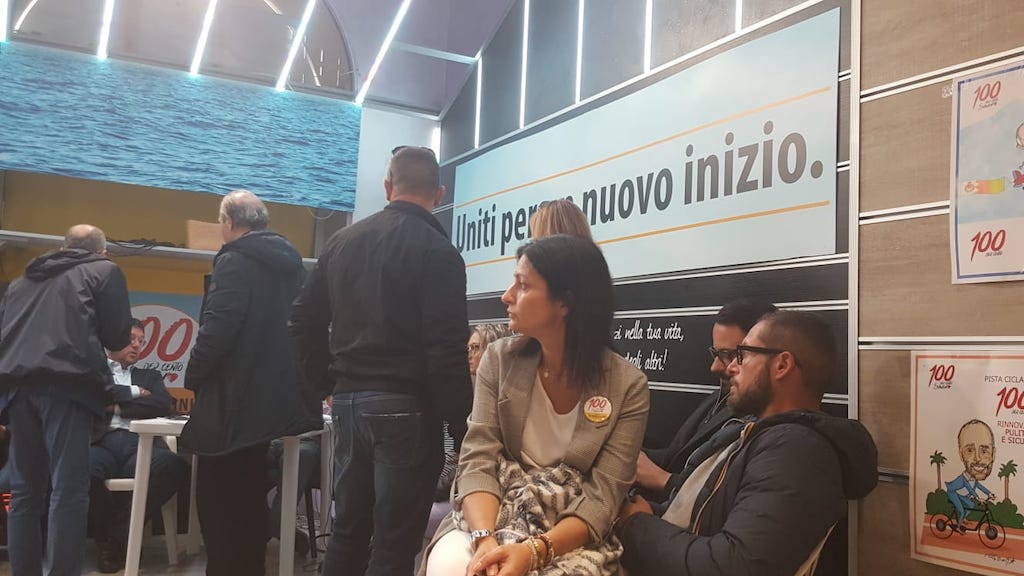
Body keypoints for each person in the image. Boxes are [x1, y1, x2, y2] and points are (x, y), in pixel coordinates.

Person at [290, 146, 473, 575]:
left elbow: (300, 320)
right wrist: (461, 424)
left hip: (348, 404)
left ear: (388, 187)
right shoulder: (440, 252)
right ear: (439, 194)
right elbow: (446, 349)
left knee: (347, 531)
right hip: (408, 409)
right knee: (395, 541)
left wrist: (326, 386)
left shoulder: (341, 243)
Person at [422, 235, 650, 576]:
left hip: (568, 530)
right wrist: (486, 542)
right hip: (492, 511)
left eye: (523, 285)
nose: (507, 296)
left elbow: (603, 497)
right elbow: (478, 458)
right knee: (452, 567)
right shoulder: (499, 360)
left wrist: (533, 552)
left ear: (565, 303)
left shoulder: (626, 386)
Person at [616, 310, 879, 575]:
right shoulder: (758, 435)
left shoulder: (797, 453)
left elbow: (734, 566)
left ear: (782, 365)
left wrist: (637, 525)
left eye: (743, 355)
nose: (731, 367)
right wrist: (636, 512)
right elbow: (698, 515)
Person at [181, 190, 322, 576]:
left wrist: (194, 376)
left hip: (231, 402)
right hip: (271, 406)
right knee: (248, 497)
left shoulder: (234, 260)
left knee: (216, 500)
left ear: (228, 223)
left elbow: (218, 329)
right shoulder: (293, 266)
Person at [0, 224, 132, 576]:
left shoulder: (22, 282)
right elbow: (118, 338)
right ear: (102, 252)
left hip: (17, 388)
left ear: (63, 248)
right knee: (68, 490)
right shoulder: (104, 271)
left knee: (24, 490)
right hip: (68, 385)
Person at [636, 300, 777, 503]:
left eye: (730, 355)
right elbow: (676, 457)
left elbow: (721, 503)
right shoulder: (720, 396)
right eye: (716, 354)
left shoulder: (767, 429)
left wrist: (663, 482)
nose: (716, 367)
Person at [88, 319, 187, 573]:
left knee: (174, 466)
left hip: (139, 444)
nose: (137, 345)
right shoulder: (94, 371)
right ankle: (111, 539)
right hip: (100, 444)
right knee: (83, 468)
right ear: (112, 340)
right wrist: (135, 394)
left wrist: (115, 405)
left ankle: (117, 538)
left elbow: (162, 404)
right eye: (132, 339)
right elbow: (93, 400)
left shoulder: (150, 376)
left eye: (141, 341)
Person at [436, 324, 513, 502]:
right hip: (454, 481)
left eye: (476, 348)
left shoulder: (506, 399)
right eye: (468, 349)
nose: (469, 354)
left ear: (494, 349)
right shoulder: (460, 396)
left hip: (485, 485)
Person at [945, 419, 996, 533]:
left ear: (994, 454)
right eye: (969, 450)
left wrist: (989, 494)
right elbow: (969, 489)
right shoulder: (964, 479)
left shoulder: (973, 479)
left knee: (971, 505)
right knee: (961, 510)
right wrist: (978, 498)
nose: (977, 458)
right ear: (961, 455)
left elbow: (980, 487)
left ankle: (963, 519)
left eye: (984, 451)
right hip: (953, 493)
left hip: (961, 494)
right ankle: (958, 527)